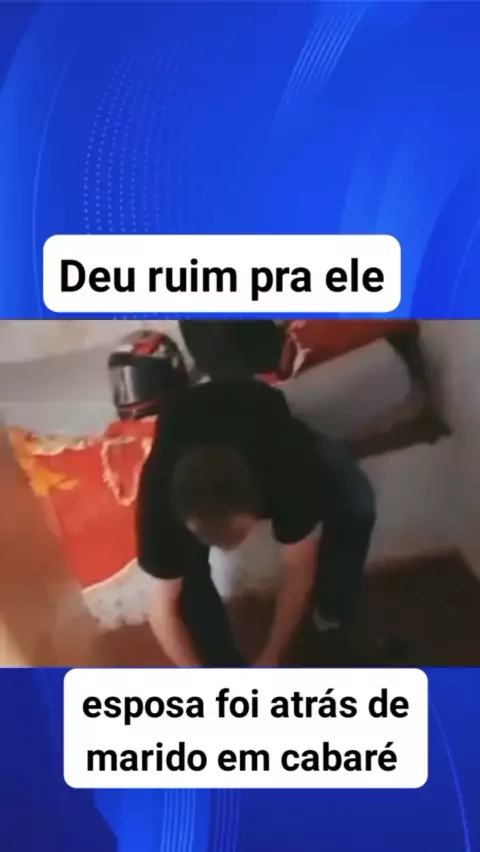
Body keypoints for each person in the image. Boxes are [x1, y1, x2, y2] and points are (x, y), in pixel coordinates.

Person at [136, 334, 376, 666]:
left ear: (261, 501)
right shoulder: (158, 495)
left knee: (357, 501)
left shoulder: (287, 468)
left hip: (263, 410)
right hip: (187, 421)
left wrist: (271, 656)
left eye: (239, 533)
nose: (231, 547)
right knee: (188, 584)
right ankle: (223, 666)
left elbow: (298, 567)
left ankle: (330, 613)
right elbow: (162, 609)